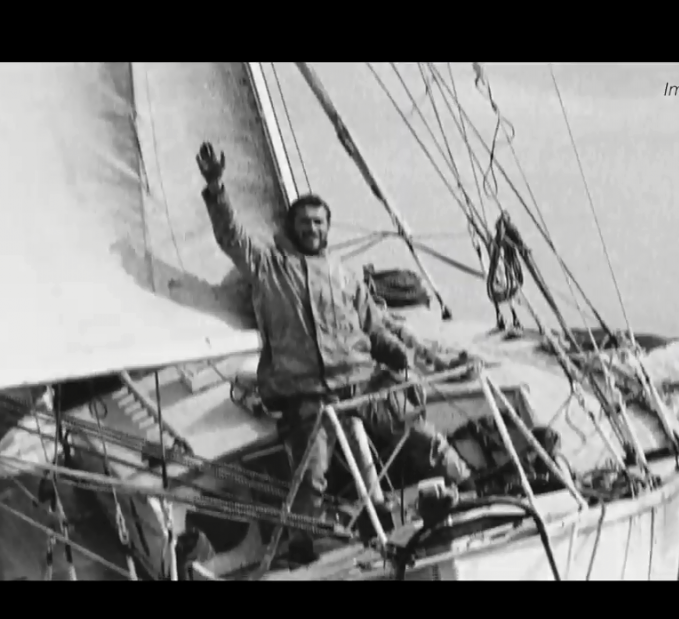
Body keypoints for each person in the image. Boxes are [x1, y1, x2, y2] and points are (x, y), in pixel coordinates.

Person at [196, 142, 473, 562]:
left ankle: (467, 486)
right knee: (311, 474)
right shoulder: (268, 267)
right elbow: (230, 236)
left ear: (329, 228)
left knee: (417, 433)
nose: (312, 228)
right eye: (304, 222)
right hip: (307, 394)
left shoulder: (344, 276)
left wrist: (401, 354)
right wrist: (216, 187)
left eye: (319, 222)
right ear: (293, 227)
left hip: (359, 381)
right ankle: (301, 544)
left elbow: (373, 327)